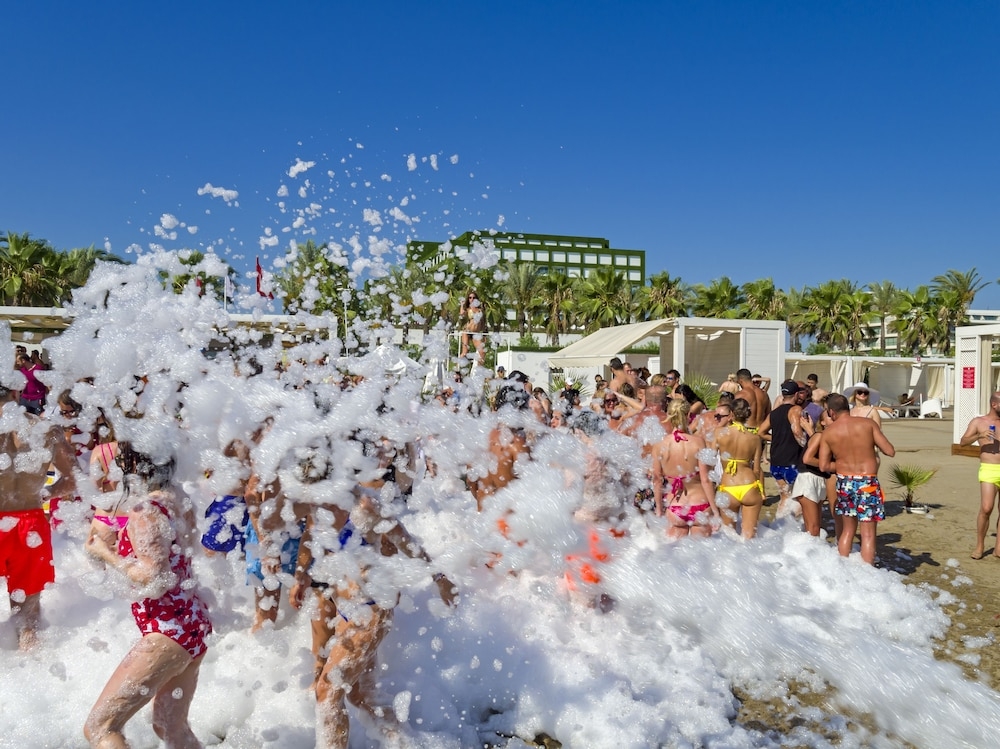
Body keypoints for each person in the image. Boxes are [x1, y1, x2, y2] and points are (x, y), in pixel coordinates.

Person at [83, 443, 211, 748]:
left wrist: (106, 553)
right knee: (168, 727)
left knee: (101, 727)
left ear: (133, 466)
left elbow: (156, 579)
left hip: (168, 631)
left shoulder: (144, 511)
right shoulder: (180, 500)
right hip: (194, 624)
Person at [0, 384, 77, 649]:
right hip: (31, 524)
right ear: (15, 394)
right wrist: (45, 494)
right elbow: (74, 479)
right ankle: (30, 670)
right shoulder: (47, 430)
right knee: (28, 614)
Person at [819, 393, 895, 565]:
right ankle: (867, 573)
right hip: (867, 481)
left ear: (831, 412)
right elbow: (889, 451)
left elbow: (823, 466)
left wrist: (843, 466)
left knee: (847, 530)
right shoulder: (868, 424)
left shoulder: (829, 432)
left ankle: (843, 567)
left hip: (844, 482)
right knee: (868, 534)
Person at [650, 398, 720, 538]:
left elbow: (657, 480)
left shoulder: (659, 445)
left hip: (675, 506)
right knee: (702, 556)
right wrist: (715, 511)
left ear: (669, 415)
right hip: (700, 505)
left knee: (676, 556)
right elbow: (705, 479)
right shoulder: (698, 442)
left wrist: (658, 509)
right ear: (689, 415)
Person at [714, 398, 765, 538]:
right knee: (749, 538)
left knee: (728, 536)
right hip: (749, 485)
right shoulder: (754, 438)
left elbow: (709, 461)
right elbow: (756, 469)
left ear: (731, 413)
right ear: (748, 414)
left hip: (728, 486)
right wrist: (761, 490)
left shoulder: (719, 433)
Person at [958, 392, 1000, 559]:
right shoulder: (979, 422)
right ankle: (980, 545)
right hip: (989, 468)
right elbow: (963, 442)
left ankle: (998, 547)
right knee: (987, 507)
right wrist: (980, 435)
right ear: (994, 405)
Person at [758, 380, 808, 516]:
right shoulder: (796, 409)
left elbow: (761, 432)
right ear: (796, 394)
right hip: (791, 461)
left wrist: (777, 438)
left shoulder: (774, 413)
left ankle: (781, 526)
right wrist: (807, 446)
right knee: (798, 497)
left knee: (785, 496)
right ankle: (797, 529)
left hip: (776, 462)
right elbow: (797, 432)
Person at [459, 289, 486, 364]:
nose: (472, 299)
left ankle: (479, 369)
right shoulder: (468, 309)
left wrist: (484, 334)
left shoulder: (480, 310)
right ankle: (457, 369)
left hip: (476, 333)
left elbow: (483, 322)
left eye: (473, 297)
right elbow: (461, 314)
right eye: (470, 298)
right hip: (467, 332)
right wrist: (462, 305)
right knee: (465, 352)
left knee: (482, 352)